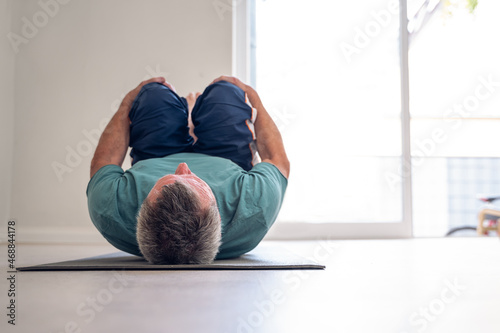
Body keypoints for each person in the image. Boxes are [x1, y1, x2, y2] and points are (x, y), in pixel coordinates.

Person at [86, 75, 289, 264]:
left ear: (143, 209)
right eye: (194, 180)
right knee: (226, 91)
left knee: (153, 94)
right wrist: (254, 99)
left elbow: (105, 160)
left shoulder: (111, 210)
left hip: (156, 154)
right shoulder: (254, 208)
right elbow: (276, 159)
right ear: (217, 213)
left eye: (170, 177)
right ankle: (193, 122)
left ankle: (187, 121)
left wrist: (126, 104)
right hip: (225, 157)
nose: (183, 167)